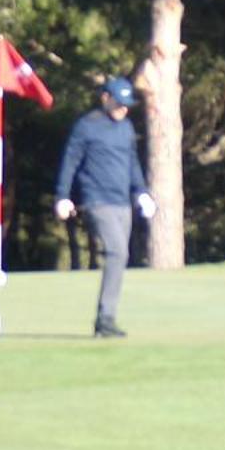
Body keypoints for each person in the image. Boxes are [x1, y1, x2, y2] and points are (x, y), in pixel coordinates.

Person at [54, 76, 157, 338]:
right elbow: (70, 162)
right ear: (105, 98)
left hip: (123, 202)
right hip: (97, 201)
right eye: (119, 103)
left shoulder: (126, 128)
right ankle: (105, 318)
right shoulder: (87, 126)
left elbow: (132, 162)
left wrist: (142, 192)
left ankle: (106, 319)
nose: (124, 109)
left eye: (127, 105)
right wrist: (62, 196)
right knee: (117, 253)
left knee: (120, 257)